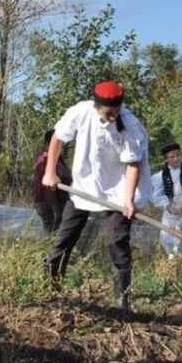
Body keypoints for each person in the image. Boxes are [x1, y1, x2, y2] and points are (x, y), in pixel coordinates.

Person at [42, 81, 152, 310]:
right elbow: (58, 139)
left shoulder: (131, 125)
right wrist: (50, 172)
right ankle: (51, 292)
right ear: (95, 106)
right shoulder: (80, 112)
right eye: (108, 113)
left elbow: (133, 164)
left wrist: (129, 200)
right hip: (85, 186)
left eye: (117, 112)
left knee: (116, 239)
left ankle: (123, 302)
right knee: (66, 235)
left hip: (120, 189)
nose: (113, 117)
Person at [150, 142, 182, 258]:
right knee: (168, 238)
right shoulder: (160, 176)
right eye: (172, 156)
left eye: (178, 155)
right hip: (171, 215)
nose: (176, 159)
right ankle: (176, 265)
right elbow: (156, 196)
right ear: (166, 159)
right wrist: (167, 206)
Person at [33, 129, 72, 233]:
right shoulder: (45, 159)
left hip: (61, 202)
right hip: (49, 204)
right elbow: (47, 186)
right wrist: (55, 208)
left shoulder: (58, 159)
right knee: (53, 234)